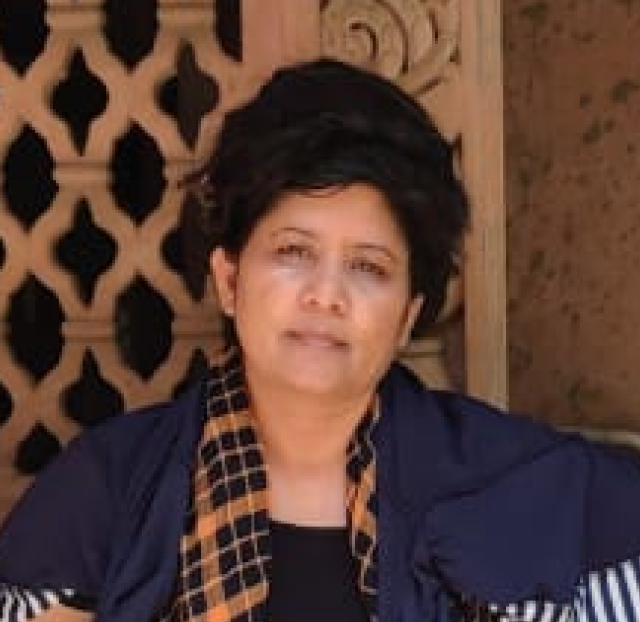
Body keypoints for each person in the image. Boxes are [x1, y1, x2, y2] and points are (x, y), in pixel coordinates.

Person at [1, 58, 640, 622]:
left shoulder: (522, 486)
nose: (326, 294)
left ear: (408, 314)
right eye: (293, 252)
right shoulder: (108, 492)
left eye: (368, 267)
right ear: (229, 280)